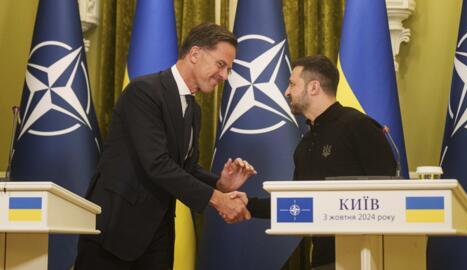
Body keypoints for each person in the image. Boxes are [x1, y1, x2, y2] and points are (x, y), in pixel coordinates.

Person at [75, 23, 257, 270]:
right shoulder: (144, 92)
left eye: (228, 69)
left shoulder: (194, 110)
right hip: (114, 233)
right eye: (221, 65)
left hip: (157, 235)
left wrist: (220, 184)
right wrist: (218, 199)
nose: (224, 76)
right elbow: (157, 164)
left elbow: (186, 168)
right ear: (195, 54)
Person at [245, 55, 396, 270]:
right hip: (322, 259)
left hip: (367, 258)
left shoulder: (358, 126)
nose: (287, 92)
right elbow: (297, 204)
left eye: (292, 84)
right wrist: (246, 204)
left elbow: (390, 193)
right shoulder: (305, 144)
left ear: (314, 87)